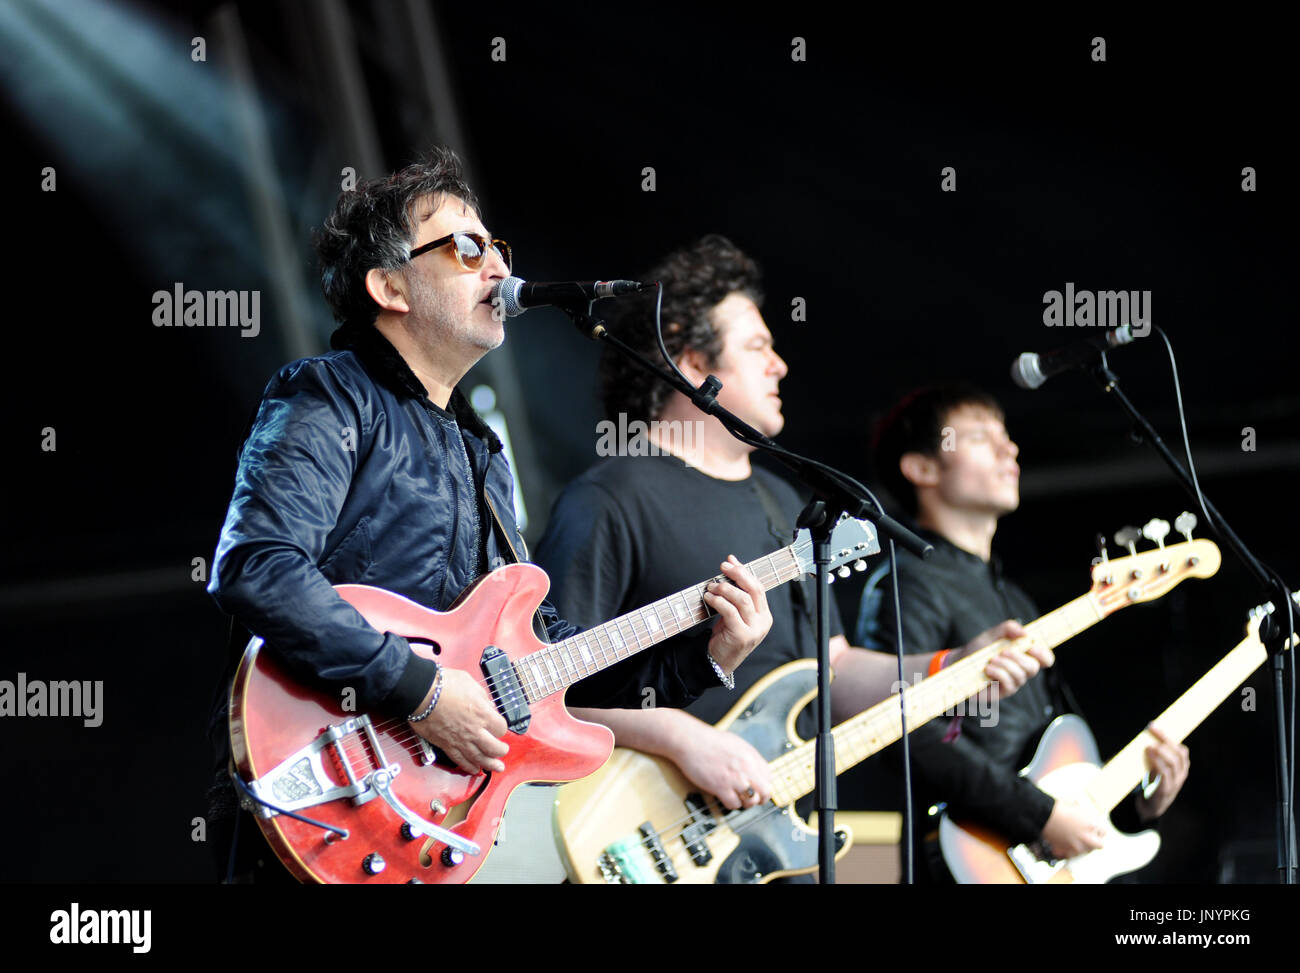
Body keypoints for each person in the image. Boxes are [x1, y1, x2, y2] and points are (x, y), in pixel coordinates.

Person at [203, 152, 773, 882]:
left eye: (497, 248)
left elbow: (553, 673)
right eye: (466, 249)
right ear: (390, 287)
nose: (498, 270)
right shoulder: (328, 395)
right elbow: (258, 568)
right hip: (319, 787)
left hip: (427, 821)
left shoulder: (482, 449)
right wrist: (423, 688)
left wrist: (708, 653)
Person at [536, 236, 1052, 819]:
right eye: (757, 345)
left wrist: (950, 667)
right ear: (691, 361)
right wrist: (683, 738)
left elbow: (831, 669)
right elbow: (544, 686)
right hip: (645, 828)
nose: (779, 363)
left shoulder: (784, 499)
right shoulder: (611, 497)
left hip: (770, 831)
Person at [855, 382, 1191, 881]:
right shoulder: (907, 583)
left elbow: (1059, 752)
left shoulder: (1015, 600)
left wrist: (1141, 804)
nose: (1008, 448)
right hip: (971, 856)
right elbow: (900, 729)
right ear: (921, 467)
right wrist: (1038, 815)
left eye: (1007, 436)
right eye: (978, 437)